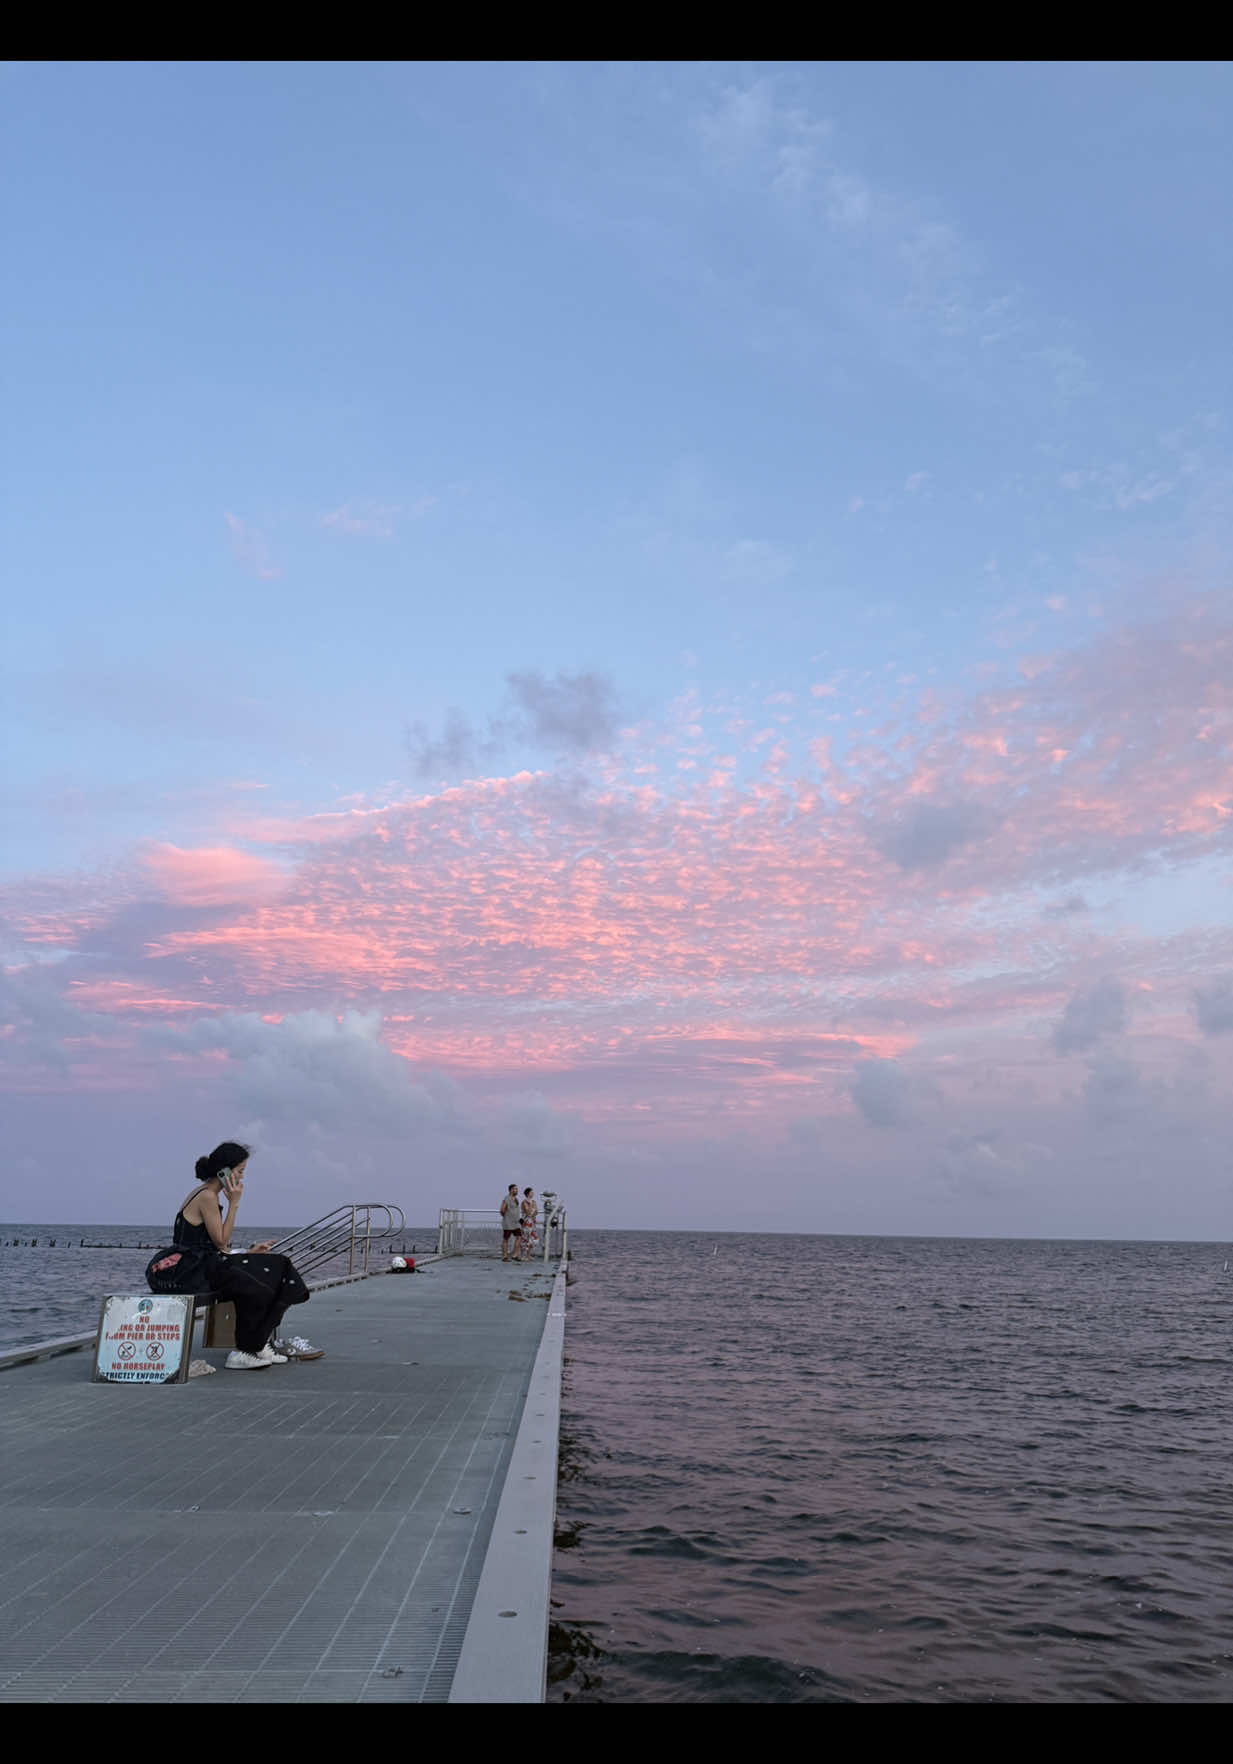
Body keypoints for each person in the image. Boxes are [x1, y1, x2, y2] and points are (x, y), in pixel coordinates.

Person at [146, 1141, 323, 1370]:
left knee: (278, 1266)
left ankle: (258, 1344)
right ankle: (245, 1349)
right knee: (256, 1282)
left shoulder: (206, 1193)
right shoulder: (207, 1196)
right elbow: (221, 1241)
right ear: (225, 1172)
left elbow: (214, 1246)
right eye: (240, 1171)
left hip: (199, 1265)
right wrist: (234, 1204)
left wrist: (248, 1252)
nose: (242, 1177)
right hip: (188, 1272)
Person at [500, 1183, 521, 1262]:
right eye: (515, 1189)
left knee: (519, 1237)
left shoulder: (516, 1199)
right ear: (511, 1190)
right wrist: (506, 1217)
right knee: (506, 1238)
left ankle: (514, 1255)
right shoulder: (507, 1198)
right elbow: (502, 1210)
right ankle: (504, 1256)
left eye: (517, 1189)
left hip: (516, 1223)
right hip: (508, 1223)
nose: (517, 1190)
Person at [519, 1186, 538, 1261]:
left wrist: (532, 1210)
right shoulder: (524, 1202)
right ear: (527, 1194)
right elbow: (527, 1211)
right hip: (526, 1222)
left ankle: (528, 1255)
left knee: (532, 1238)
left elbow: (536, 1211)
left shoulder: (534, 1202)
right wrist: (530, 1205)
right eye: (531, 1192)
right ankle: (522, 1255)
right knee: (525, 1238)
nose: (532, 1193)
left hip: (532, 1221)